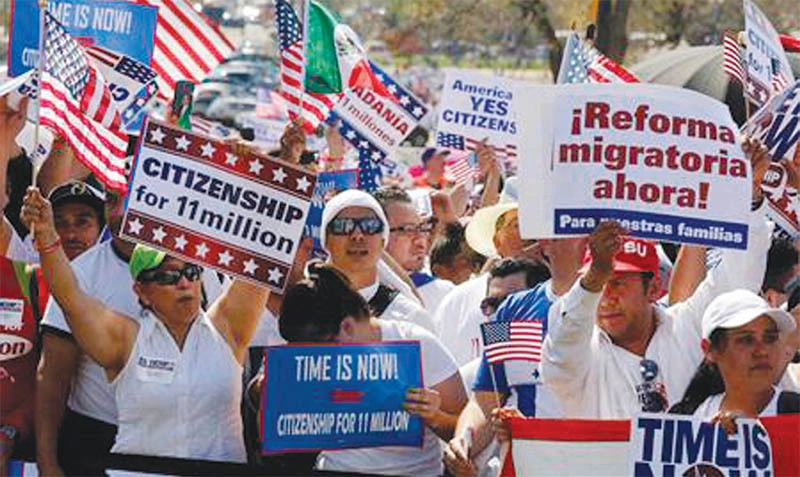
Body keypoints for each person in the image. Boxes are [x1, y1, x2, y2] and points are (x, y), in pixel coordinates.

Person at [23, 187, 268, 463]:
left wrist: (260, 172)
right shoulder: (125, 341)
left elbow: (266, 248)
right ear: (141, 291)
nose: (184, 283)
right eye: (168, 277)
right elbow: (69, 296)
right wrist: (46, 238)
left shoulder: (228, 330)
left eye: (190, 272)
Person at [541, 205, 771, 419]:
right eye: (598, 285)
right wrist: (592, 278)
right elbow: (563, 343)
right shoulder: (581, 356)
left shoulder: (685, 327)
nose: (606, 298)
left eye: (618, 283)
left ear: (652, 289)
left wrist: (750, 202)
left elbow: (737, 281)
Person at [275, 263, 467, 476]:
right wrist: (266, 392)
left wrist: (434, 416)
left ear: (347, 327)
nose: (315, 361)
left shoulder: (418, 344)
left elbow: (465, 432)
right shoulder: (308, 353)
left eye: (320, 354)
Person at [444, 237, 585, 477]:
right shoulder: (509, 310)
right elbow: (486, 399)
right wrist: (463, 441)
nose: (590, 241)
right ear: (545, 243)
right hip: (523, 468)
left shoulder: (613, 307)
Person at [433, 198, 539, 367]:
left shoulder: (566, 292)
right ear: (497, 242)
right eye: (518, 224)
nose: (532, 235)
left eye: (538, 223)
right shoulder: (458, 301)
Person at [320, 189, 435, 332]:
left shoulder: (411, 319)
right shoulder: (299, 313)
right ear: (326, 240)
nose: (357, 235)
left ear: (383, 241)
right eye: (343, 226)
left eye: (370, 226)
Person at [669, 289, 798, 417]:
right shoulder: (683, 418)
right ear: (710, 350)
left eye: (770, 338)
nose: (762, 351)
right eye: (747, 340)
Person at [373, 186, 454, 312]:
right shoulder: (353, 296)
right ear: (379, 233)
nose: (420, 239)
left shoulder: (445, 295)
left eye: (422, 228)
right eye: (408, 229)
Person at [48, 180, 105, 260]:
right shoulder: (33, 269)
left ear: (100, 228)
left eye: (82, 222)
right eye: (59, 224)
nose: (70, 235)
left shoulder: (121, 271)